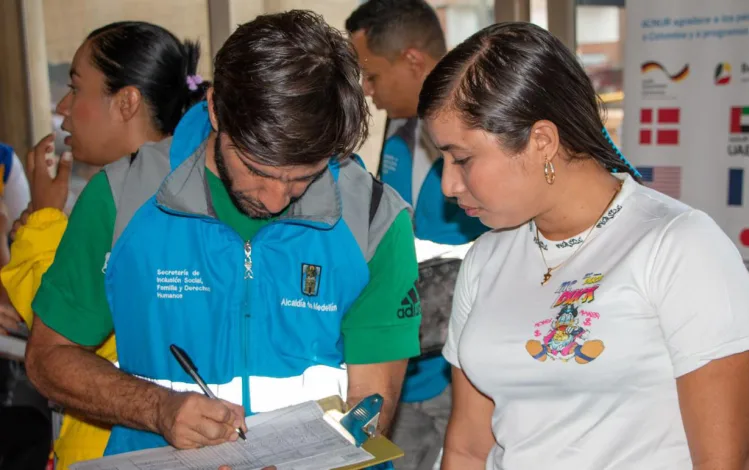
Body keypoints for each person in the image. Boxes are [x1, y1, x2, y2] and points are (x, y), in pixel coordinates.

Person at [24, 10, 419, 465]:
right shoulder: (122, 198)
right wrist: (158, 408)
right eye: (256, 170)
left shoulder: (374, 219)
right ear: (215, 109)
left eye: (302, 178)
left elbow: (371, 408)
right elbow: (48, 357)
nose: (275, 199)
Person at [419, 22, 749, 469]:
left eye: (462, 159)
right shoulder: (486, 258)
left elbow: (726, 461)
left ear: (541, 142)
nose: (449, 185)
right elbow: (469, 448)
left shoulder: (679, 246)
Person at [0, 21, 209, 469]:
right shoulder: (186, 181)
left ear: (127, 102)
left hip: (113, 446)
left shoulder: (125, 197)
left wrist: (41, 221)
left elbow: (60, 332)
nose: (62, 108)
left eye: (76, 88)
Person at [346, 2, 487, 469]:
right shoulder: (397, 139)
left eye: (372, 76)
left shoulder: (490, 143)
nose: (368, 92)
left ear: (412, 60)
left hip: (465, 375)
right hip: (405, 373)